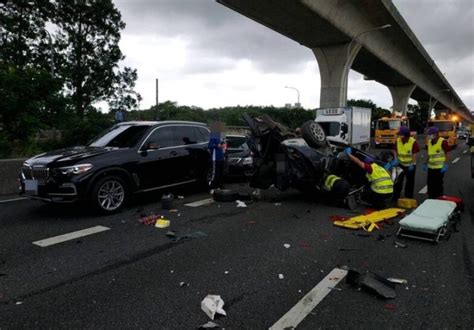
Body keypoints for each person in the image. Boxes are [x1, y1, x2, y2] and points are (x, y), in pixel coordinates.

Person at [392, 126, 419, 201]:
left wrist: (412, 164)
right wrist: (396, 159)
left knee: (410, 182)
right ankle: (395, 197)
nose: (399, 136)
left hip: (410, 165)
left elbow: (414, 154)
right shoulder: (398, 141)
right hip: (400, 164)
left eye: (401, 134)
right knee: (398, 181)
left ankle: (408, 197)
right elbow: (394, 150)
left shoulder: (413, 142)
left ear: (406, 135)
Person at [423, 126, 449, 198]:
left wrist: (445, 164)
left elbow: (447, 154)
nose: (429, 136)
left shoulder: (443, 142)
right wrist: (425, 163)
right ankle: (431, 198)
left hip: (440, 168)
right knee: (430, 184)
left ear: (436, 134)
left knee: (438, 184)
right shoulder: (429, 142)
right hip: (431, 167)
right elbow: (429, 154)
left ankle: (439, 198)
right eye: (429, 134)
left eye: (431, 134)